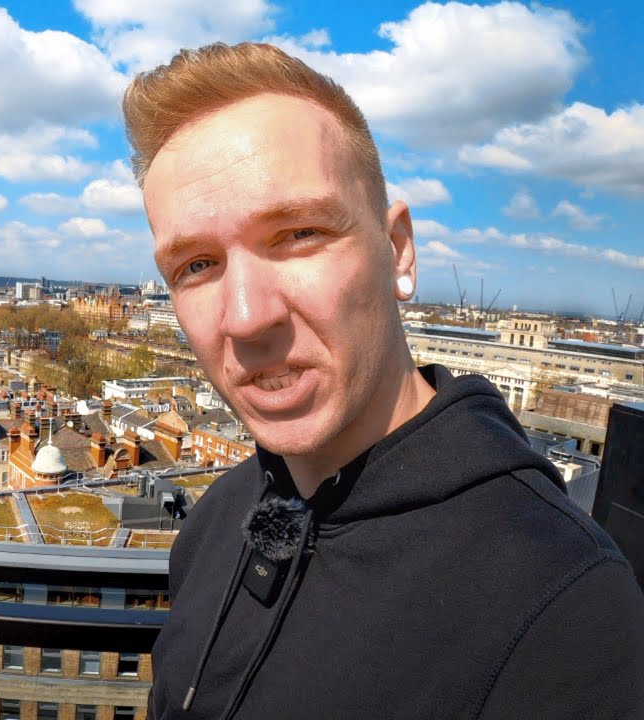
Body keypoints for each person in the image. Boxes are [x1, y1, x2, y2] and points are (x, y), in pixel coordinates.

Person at [125, 42, 644, 719]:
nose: (246, 317)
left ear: (398, 251)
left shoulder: (567, 608)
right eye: (196, 265)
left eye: (299, 233)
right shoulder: (217, 520)